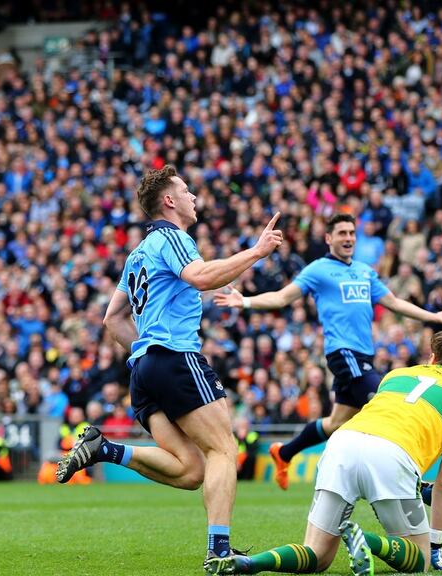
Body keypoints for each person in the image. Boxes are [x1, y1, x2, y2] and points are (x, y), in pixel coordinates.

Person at [55, 164, 284, 570]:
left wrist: (144, 350)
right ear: (169, 200)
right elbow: (200, 277)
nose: (194, 196)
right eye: (186, 190)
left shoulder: (137, 254)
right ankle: (218, 551)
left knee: (192, 470)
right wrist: (257, 251)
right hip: (174, 357)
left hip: (144, 372)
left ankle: (105, 448)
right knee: (224, 449)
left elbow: (113, 319)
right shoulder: (172, 237)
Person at [204, 329, 442, 575]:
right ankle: (366, 540)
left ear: (432, 356)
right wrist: (435, 545)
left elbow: (382, 429)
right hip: (393, 456)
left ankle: (250, 564)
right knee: (418, 558)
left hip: (342, 442)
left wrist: (419, 487)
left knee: (318, 555)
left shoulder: (396, 375)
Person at [215, 213, 442, 491]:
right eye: (342, 233)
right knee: (387, 401)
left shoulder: (364, 271)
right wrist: (245, 301)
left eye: (352, 233)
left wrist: (433, 317)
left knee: (335, 422)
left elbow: (394, 303)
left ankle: (284, 453)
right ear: (329, 238)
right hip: (343, 353)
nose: (348, 238)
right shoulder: (319, 269)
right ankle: (414, 482)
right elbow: (283, 297)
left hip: (364, 356)